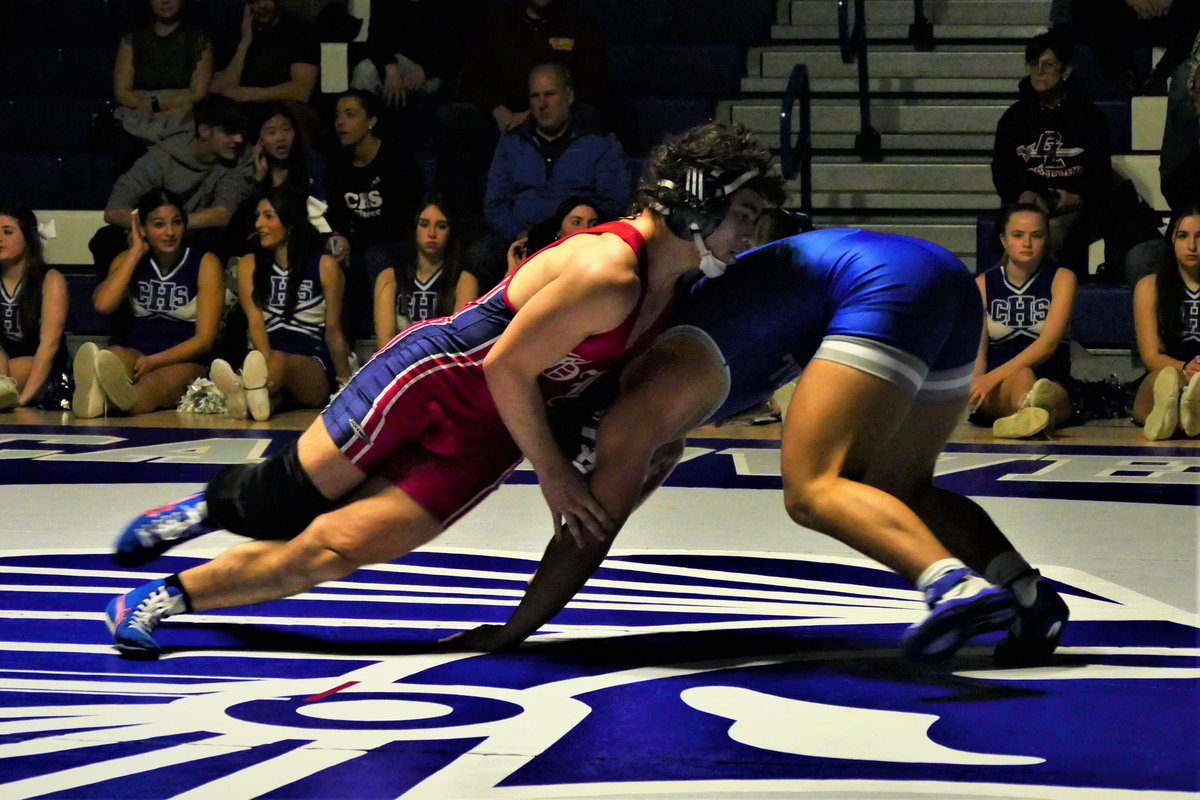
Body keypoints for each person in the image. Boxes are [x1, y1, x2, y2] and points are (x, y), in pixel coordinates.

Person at [102, 121, 784, 658]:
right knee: (288, 501)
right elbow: (504, 368)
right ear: (698, 202)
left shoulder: (674, 287)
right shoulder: (612, 273)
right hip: (435, 381)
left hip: (492, 433)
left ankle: (162, 597)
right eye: (744, 213)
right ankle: (197, 512)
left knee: (335, 549)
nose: (751, 233)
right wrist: (555, 477)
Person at [449, 227, 1071, 667]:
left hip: (878, 286)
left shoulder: (633, 411)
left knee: (812, 488)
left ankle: (951, 589)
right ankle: (1028, 595)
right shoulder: (658, 374)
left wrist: (514, 631)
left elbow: (593, 526)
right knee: (898, 488)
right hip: (943, 280)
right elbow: (616, 495)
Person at [74, 190, 224, 419]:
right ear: (142, 229)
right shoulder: (128, 260)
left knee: (153, 384)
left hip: (185, 362)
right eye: (158, 224)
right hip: (138, 354)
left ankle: (100, 403)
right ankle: (97, 393)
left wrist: (155, 362)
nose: (170, 232)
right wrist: (135, 253)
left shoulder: (205, 263)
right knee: (111, 356)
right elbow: (103, 304)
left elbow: (204, 340)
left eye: (177, 223)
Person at [211, 186, 351, 422]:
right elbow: (255, 325)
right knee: (268, 392)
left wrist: (348, 386)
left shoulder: (325, 266)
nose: (258, 224)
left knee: (279, 362)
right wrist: (266, 360)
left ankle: (244, 390)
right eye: (257, 216)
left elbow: (333, 332)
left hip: (312, 367)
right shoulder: (248, 265)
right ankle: (255, 397)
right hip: (267, 362)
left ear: (289, 223)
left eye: (268, 216)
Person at [90, 94, 254, 288]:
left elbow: (222, 214)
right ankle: (123, 311)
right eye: (230, 132)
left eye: (240, 132)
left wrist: (175, 225)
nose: (238, 139)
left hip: (198, 236)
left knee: (225, 238)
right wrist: (157, 228)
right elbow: (113, 211)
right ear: (204, 131)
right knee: (105, 239)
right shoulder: (162, 157)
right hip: (153, 237)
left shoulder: (239, 158)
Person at [992, 30, 1113, 279]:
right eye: (1034, 64)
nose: (1039, 71)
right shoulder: (1014, 117)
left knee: (1045, 234)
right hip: (1028, 202)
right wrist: (1023, 193)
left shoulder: (1089, 117)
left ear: (1065, 71)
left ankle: (1026, 294)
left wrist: (1075, 198)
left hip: (1072, 207)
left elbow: (1100, 175)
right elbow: (1002, 171)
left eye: (1048, 65)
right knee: (1020, 230)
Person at [485, 63, 628, 246]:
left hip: (580, 241)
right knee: (480, 256)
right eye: (535, 96)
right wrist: (519, 234)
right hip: (521, 238)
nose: (542, 104)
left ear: (569, 96)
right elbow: (495, 203)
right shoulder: (511, 142)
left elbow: (615, 201)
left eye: (549, 95)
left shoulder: (600, 142)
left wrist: (576, 228)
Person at [969, 203, 1078, 439]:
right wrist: (980, 383)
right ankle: (1031, 415)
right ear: (1003, 240)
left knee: (1037, 386)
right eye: (1018, 235)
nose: (1027, 243)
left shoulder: (1062, 278)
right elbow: (979, 354)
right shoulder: (982, 285)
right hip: (997, 388)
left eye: (1036, 235)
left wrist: (991, 378)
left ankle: (1027, 415)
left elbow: (1048, 345)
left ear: (1046, 239)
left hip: (1051, 382)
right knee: (1022, 377)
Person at [324, 89, 425, 336]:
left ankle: (383, 338)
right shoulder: (337, 164)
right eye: (338, 115)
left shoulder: (396, 160)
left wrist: (352, 242)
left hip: (398, 243)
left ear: (371, 121)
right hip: (355, 246)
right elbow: (336, 215)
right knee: (329, 258)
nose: (340, 122)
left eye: (350, 114)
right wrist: (339, 239)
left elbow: (400, 221)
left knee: (373, 256)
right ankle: (339, 343)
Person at [112, 0, 214, 171]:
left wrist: (160, 105)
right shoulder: (133, 38)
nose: (165, 1)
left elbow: (199, 92)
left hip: (182, 110)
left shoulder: (198, 38)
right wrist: (147, 106)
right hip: (139, 109)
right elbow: (122, 91)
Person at [372, 194, 480, 350]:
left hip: (441, 368)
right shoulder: (389, 277)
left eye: (441, 226)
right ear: (414, 228)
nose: (432, 234)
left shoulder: (464, 280)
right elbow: (384, 344)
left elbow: (458, 344)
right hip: (399, 368)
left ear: (451, 231)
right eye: (424, 224)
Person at [1131, 203, 1200, 440]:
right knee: (1164, 381)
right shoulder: (1150, 286)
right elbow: (1151, 356)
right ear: (1172, 240)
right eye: (1183, 236)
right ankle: (1173, 413)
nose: (1192, 246)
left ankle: (1183, 416)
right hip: (1170, 370)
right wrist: (1184, 368)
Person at [0, 206, 70, 412]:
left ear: (28, 237)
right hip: (5, 369)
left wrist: (21, 401)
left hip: (43, 369)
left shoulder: (50, 279)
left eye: (8, 231)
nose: (0, 238)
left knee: (20, 367)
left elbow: (49, 346)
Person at [209, 0, 319, 108]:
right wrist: (244, 44)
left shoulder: (299, 30)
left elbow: (301, 91)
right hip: (240, 115)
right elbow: (221, 90)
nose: (262, 5)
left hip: (282, 111)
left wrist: (247, 94)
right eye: (255, 0)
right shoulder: (233, 30)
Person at [506, 195, 602, 274]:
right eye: (576, 222)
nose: (585, 229)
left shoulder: (603, 268)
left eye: (593, 224)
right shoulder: (538, 265)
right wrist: (514, 273)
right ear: (559, 230)